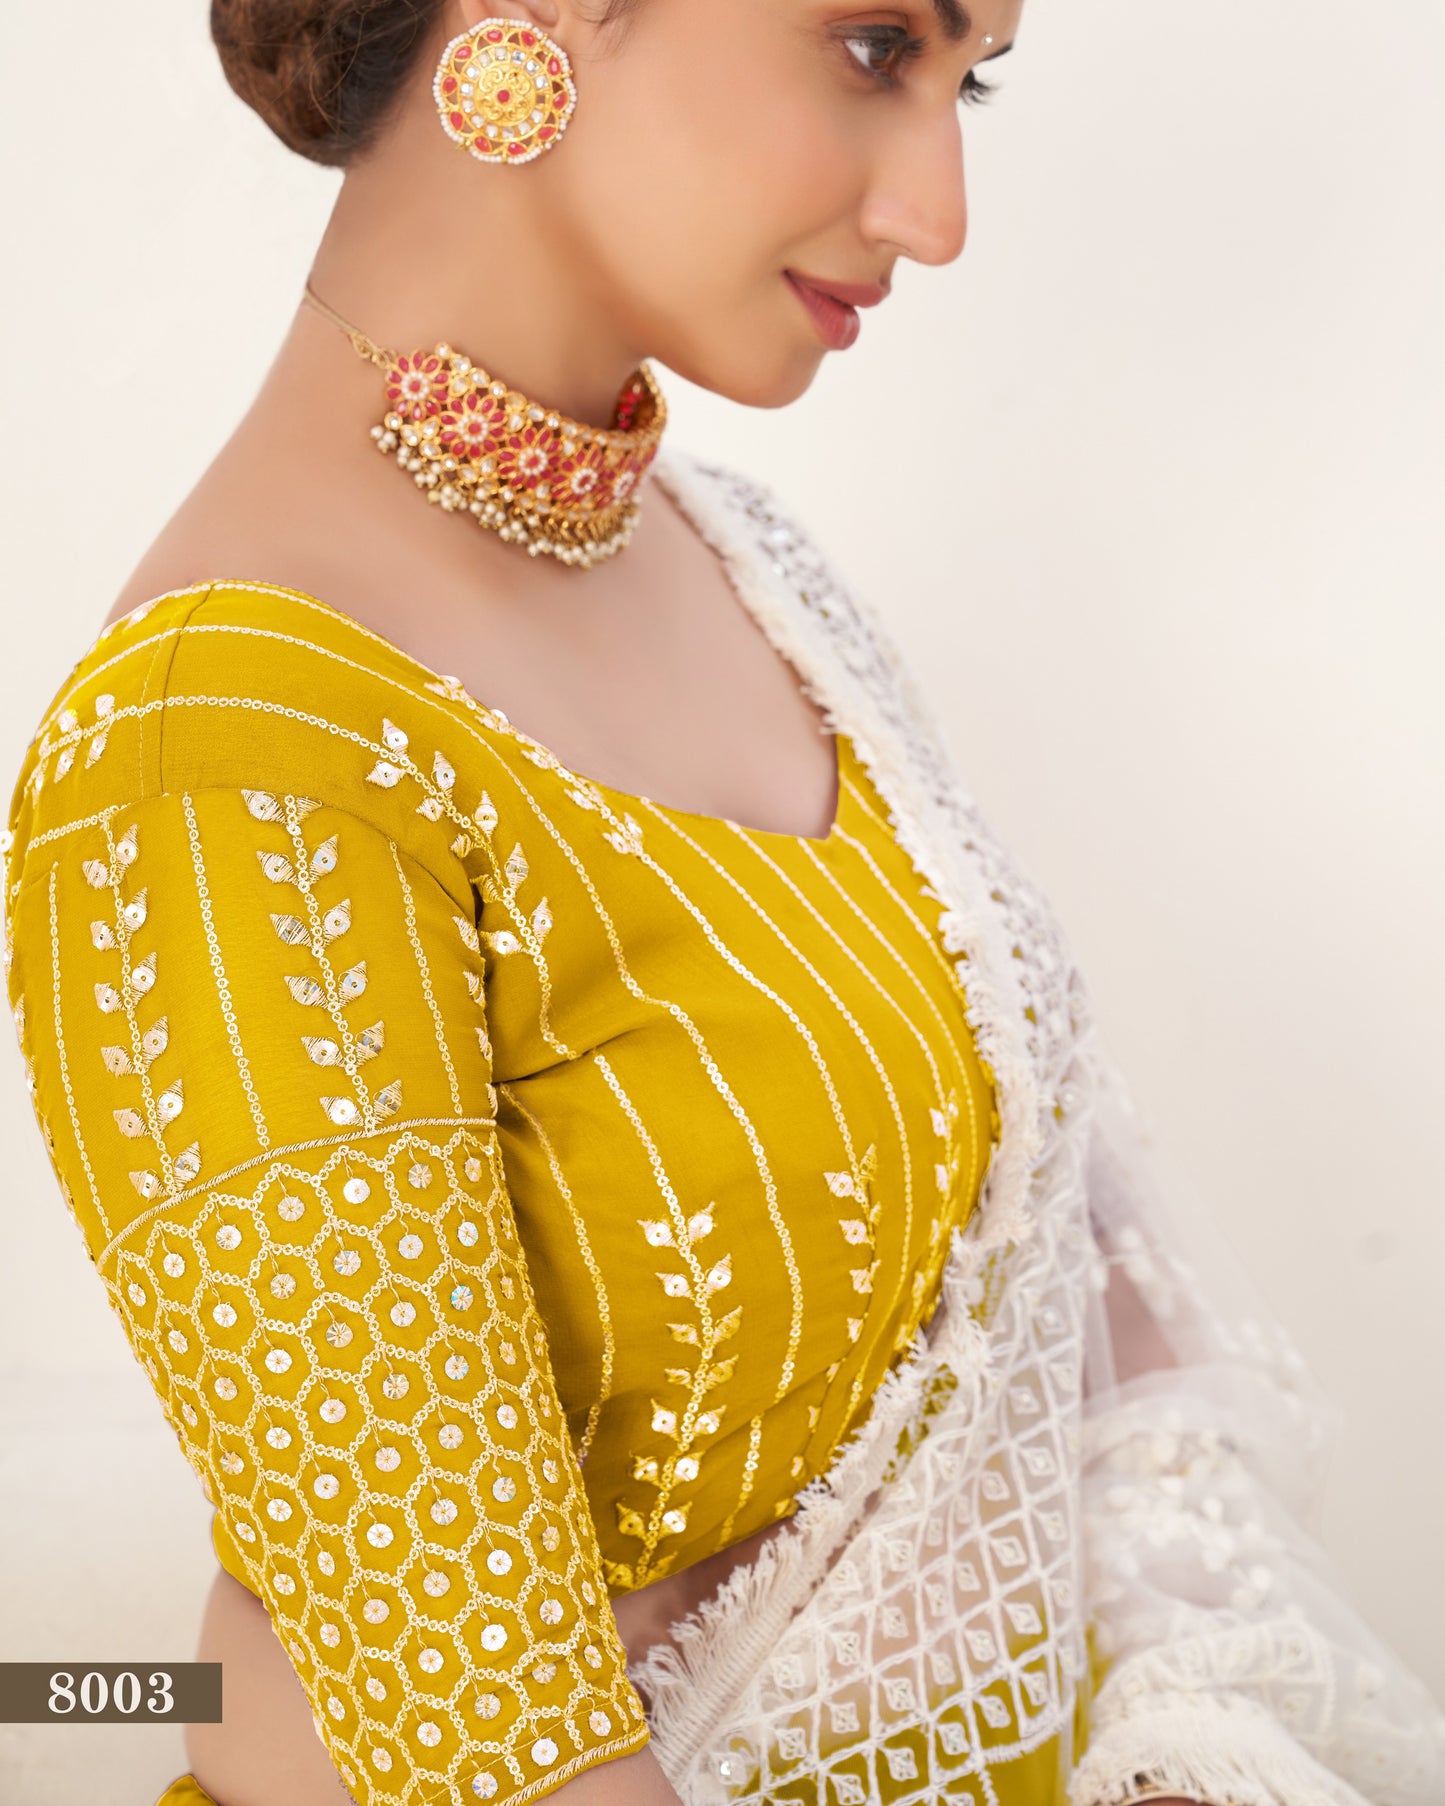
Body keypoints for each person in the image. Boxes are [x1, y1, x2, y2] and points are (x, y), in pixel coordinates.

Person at [2, 3, 1440, 1804]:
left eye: (965, 78)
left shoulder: (754, 572)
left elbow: (1085, 1324)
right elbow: (494, 1751)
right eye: (869, 47)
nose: (940, 211)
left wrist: (1181, 1748)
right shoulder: (217, 765)